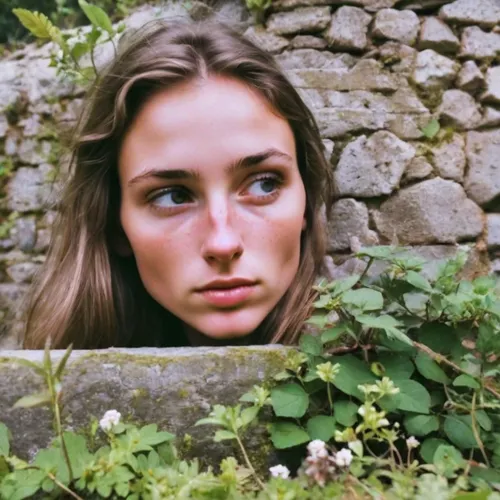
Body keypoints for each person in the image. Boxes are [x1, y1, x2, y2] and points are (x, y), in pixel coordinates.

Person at [22, 20, 334, 349]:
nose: (223, 243)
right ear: (115, 222)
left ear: (306, 201)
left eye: (264, 185)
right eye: (173, 196)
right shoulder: (55, 396)